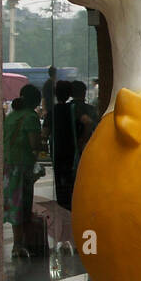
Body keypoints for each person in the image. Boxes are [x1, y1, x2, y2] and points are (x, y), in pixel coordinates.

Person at [3, 84, 42, 258]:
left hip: (9, 166)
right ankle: (21, 244)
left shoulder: (11, 116)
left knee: (15, 205)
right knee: (23, 206)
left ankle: (17, 243)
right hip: (23, 166)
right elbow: (34, 144)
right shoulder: (31, 117)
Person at [51, 79, 77, 209]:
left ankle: (61, 202)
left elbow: (45, 131)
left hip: (57, 149)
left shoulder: (54, 110)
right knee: (70, 178)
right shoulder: (72, 109)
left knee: (58, 178)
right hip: (71, 149)